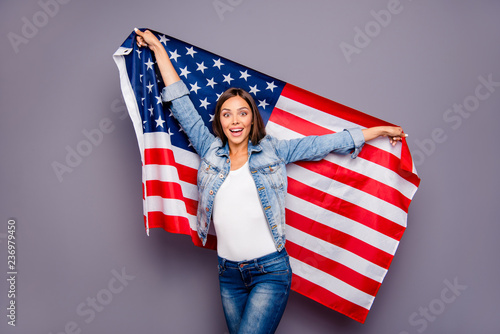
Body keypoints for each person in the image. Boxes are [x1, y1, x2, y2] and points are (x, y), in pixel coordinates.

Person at [135, 28, 406, 334]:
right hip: (228, 275)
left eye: (242, 113)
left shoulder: (273, 151)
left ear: (252, 118)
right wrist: (157, 48)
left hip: (270, 272)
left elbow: (322, 144)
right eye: (227, 115)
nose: (235, 121)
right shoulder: (208, 149)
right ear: (220, 122)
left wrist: (377, 132)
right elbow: (180, 101)